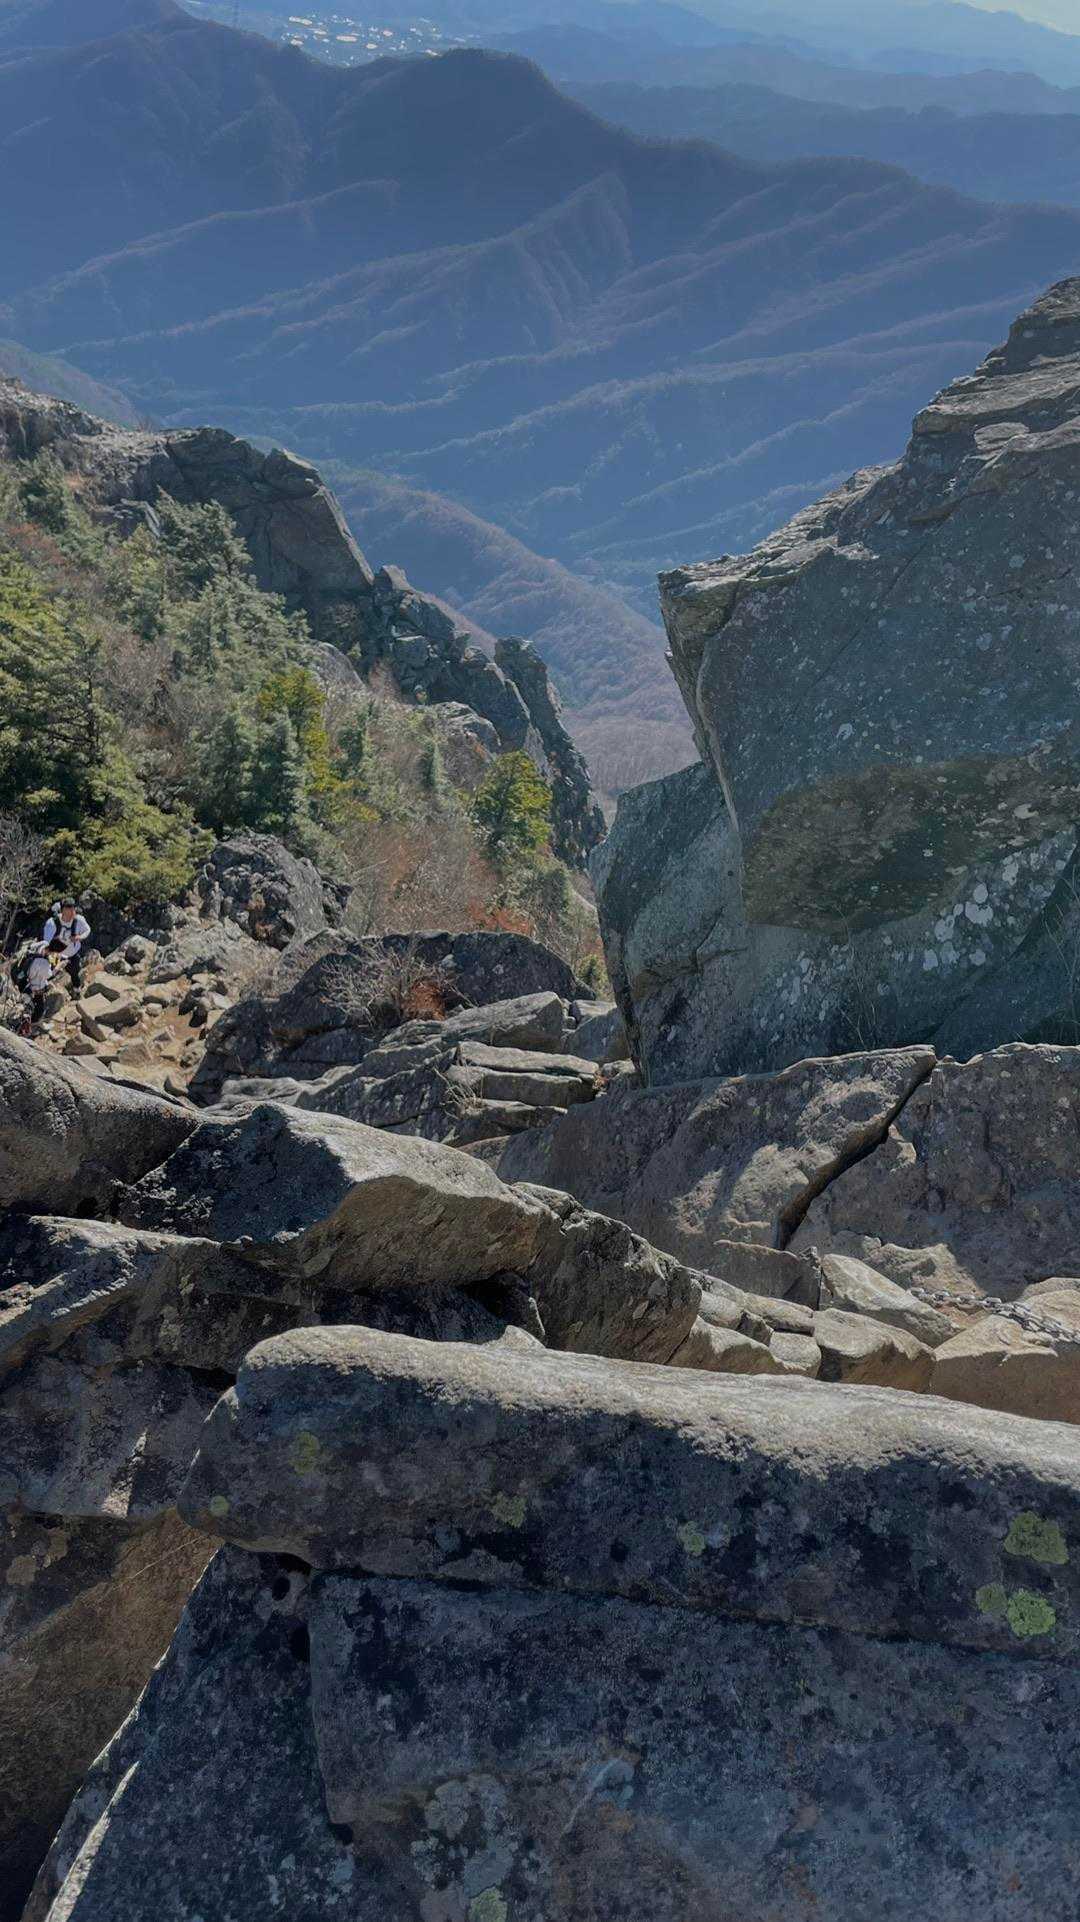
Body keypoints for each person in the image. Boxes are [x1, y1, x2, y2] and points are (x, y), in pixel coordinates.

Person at [41, 898, 91, 997]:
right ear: (63, 911)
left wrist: (79, 937)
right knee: (49, 973)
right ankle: (43, 994)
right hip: (56, 955)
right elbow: (46, 944)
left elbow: (87, 930)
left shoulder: (79, 920)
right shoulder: (52, 923)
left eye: (73, 910)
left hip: (73, 954)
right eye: (69, 911)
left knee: (74, 972)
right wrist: (56, 958)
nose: (72, 914)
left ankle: (77, 991)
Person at [26, 937, 68, 1026]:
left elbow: (30, 946)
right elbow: (49, 975)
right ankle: (31, 1024)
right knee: (40, 1008)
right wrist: (58, 966)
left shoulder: (44, 943)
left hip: (24, 974)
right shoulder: (44, 963)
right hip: (33, 986)